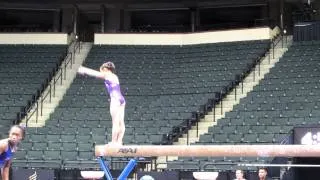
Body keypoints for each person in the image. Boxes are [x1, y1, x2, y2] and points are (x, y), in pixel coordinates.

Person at [78, 62, 125, 145]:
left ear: (106, 69)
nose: (101, 72)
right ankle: (119, 141)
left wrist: (83, 69)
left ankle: (114, 142)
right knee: (121, 122)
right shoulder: (114, 76)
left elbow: (95, 73)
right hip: (121, 99)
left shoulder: (108, 75)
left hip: (115, 99)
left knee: (115, 122)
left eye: (102, 70)